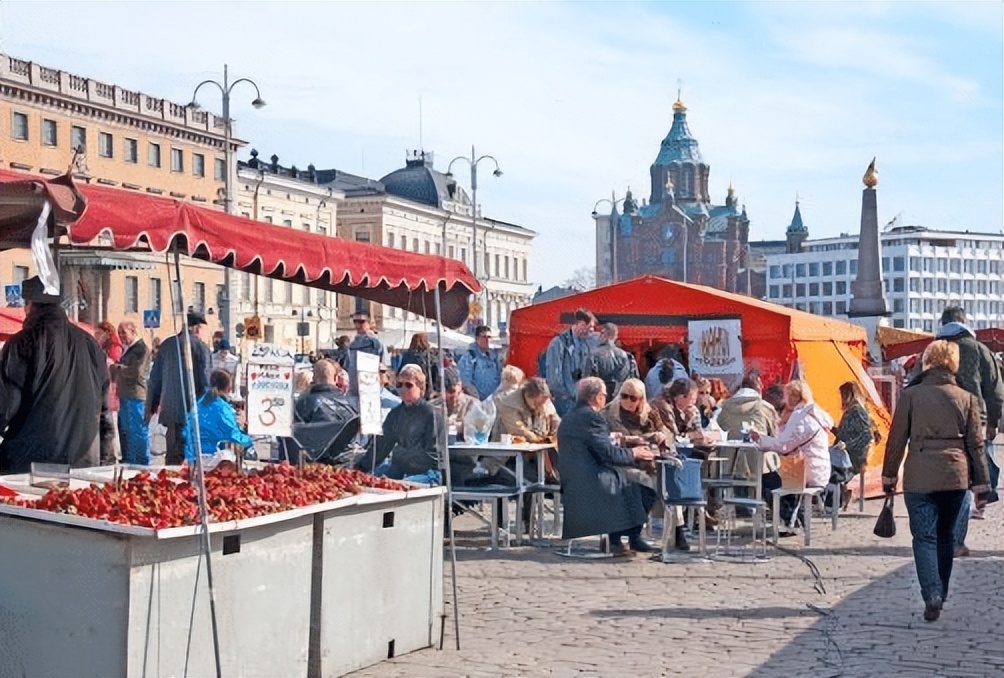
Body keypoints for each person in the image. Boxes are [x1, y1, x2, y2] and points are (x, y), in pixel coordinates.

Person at [882, 340, 988, 622]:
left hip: (919, 475)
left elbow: (896, 440)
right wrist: (982, 487)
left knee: (923, 537)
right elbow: (976, 445)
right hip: (955, 475)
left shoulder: (911, 395)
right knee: (946, 536)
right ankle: (941, 590)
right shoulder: (966, 398)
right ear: (953, 363)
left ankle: (931, 593)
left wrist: (889, 474)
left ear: (927, 362)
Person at [0, 276, 108, 473]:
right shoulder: (90, 343)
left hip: (28, 460)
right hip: (81, 460)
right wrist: (106, 455)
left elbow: (6, 404)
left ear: (30, 305)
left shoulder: (22, 342)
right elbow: (104, 405)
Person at [926, 306, 1003, 556]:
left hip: (935, 423)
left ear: (943, 322)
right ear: (965, 322)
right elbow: (996, 392)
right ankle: (955, 541)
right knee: (966, 482)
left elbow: (914, 386)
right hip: (972, 424)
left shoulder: (931, 351)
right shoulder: (981, 351)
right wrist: (992, 422)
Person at [557, 377, 657, 555]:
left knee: (634, 480)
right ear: (596, 397)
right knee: (645, 484)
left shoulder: (571, 415)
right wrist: (635, 453)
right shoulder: (593, 417)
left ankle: (622, 538)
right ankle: (622, 538)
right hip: (591, 480)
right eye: (604, 394)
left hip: (574, 478)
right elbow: (609, 454)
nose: (606, 397)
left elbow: (598, 447)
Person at [605, 378, 689, 551]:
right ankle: (623, 534)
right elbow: (606, 442)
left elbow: (665, 437)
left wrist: (660, 437)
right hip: (620, 463)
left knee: (670, 479)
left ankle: (678, 530)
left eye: (633, 398)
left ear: (641, 399)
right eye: (624, 396)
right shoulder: (609, 414)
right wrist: (633, 441)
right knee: (642, 481)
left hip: (648, 462)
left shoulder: (651, 414)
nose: (627, 401)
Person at [750, 379, 834, 534]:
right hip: (819, 469)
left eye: (786, 395)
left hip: (805, 472)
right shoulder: (816, 414)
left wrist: (760, 439)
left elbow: (783, 446)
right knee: (780, 478)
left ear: (794, 397)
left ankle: (789, 519)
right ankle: (793, 518)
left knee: (766, 480)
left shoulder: (800, 416)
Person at [145, 310, 212, 466]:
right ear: (197, 328)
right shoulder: (201, 347)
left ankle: (170, 482)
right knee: (193, 456)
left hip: (171, 409)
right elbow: (205, 380)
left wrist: (151, 406)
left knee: (173, 455)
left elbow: (154, 379)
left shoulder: (167, 345)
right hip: (193, 409)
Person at [362, 364, 441, 483]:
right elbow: (382, 446)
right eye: (399, 385)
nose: (403, 389)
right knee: (371, 480)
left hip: (428, 472)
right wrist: (361, 468)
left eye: (408, 385)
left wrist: (403, 457)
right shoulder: (395, 414)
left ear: (420, 387)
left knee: (403, 484)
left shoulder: (432, 414)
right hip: (399, 468)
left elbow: (434, 455)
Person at [186, 370, 254, 460]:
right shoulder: (222, 408)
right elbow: (233, 435)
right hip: (214, 456)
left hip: (193, 453)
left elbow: (187, 429)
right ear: (228, 387)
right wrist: (249, 439)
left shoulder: (199, 404)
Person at [545, 308, 597, 416]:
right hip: (564, 400)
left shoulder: (586, 343)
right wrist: (563, 394)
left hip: (579, 399)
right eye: (590, 326)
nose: (592, 330)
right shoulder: (559, 343)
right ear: (581, 324)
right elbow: (554, 374)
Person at [113, 321, 150, 465]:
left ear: (133, 331)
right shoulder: (128, 349)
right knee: (126, 429)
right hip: (126, 395)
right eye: (119, 332)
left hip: (136, 395)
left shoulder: (141, 349)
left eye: (124, 332)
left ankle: (140, 461)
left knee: (137, 430)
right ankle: (129, 459)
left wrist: (118, 368)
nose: (121, 336)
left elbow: (137, 372)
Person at [832, 381, 874, 508]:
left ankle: (838, 495)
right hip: (845, 452)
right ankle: (839, 494)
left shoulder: (857, 410)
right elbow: (845, 432)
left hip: (854, 456)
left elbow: (867, 435)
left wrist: (848, 445)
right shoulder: (853, 410)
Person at [716, 371, 779, 441]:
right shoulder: (766, 408)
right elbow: (775, 437)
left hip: (729, 451)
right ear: (759, 386)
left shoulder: (724, 406)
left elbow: (718, 427)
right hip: (758, 450)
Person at [496, 376, 560, 444]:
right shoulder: (507, 404)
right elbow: (517, 429)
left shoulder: (545, 402)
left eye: (543, 403)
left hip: (541, 447)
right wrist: (537, 439)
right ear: (527, 395)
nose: (540, 407)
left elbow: (556, 421)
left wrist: (552, 438)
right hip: (511, 448)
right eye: (536, 403)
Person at [295, 359, 359, 424]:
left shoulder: (304, 403)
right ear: (336, 378)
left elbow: (296, 429)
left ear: (313, 377)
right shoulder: (351, 404)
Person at [95, 320, 124, 465]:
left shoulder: (113, 348)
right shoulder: (102, 348)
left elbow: (114, 368)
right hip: (106, 389)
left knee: (110, 425)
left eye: (99, 332)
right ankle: (111, 453)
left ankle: (113, 454)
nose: (96, 335)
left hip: (110, 390)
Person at [588, 322, 638, 401]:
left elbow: (587, 380)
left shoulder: (593, 355)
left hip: (599, 398)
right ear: (615, 336)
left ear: (603, 334)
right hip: (619, 399)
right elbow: (634, 380)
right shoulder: (627, 356)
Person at [430, 367, 478, 439]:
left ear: (460, 386)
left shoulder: (473, 404)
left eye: (451, 392)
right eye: (443, 392)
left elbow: (474, 429)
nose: (447, 397)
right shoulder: (432, 406)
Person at [457, 325, 503, 400]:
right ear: (477, 338)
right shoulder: (469, 357)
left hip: (493, 402)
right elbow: (465, 382)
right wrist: (477, 401)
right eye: (484, 337)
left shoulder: (494, 358)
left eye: (489, 337)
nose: (487, 340)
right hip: (477, 403)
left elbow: (499, 377)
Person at [348, 311, 389, 393]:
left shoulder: (376, 342)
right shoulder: (352, 344)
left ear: (370, 323)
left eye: (361, 322)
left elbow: (384, 364)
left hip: (370, 385)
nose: (357, 325)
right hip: (354, 385)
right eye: (355, 322)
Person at [399, 332, 439, 398]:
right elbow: (436, 374)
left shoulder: (407, 355)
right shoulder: (430, 356)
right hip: (427, 388)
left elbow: (401, 371)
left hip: (409, 387)